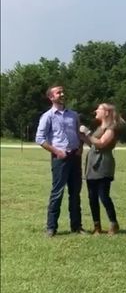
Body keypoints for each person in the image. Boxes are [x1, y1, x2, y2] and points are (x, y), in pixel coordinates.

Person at [35, 85, 86, 237]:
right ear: (51, 97)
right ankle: (51, 228)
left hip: (74, 157)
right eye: (59, 92)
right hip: (60, 159)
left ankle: (76, 227)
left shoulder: (73, 115)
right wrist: (56, 151)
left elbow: (79, 134)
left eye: (63, 92)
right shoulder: (48, 116)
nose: (62, 94)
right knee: (57, 193)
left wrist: (80, 148)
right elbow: (39, 139)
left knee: (75, 193)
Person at [80, 104, 124, 235]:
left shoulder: (112, 128)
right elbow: (93, 143)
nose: (95, 111)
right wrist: (83, 136)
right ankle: (97, 227)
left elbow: (101, 143)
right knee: (92, 196)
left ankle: (113, 223)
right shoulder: (100, 127)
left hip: (103, 164)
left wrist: (87, 132)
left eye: (98, 109)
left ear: (106, 112)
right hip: (92, 164)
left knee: (103, 195)